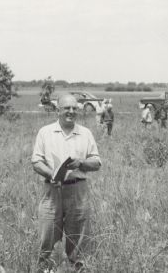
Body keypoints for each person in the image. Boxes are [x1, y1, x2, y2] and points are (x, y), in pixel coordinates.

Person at [31, 94, 102, 272]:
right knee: (48, 237)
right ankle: (47, 269)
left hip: (78, 191)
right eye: (66, 108)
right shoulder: (45, 132)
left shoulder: (85, 133)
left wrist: (81, 163)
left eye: (74, 108)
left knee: (78, 241)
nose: (71, 112)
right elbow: (36, 161)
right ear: (58, 110)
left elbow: (96, 162)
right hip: (52, 190)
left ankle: (76, 269)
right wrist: (52, 174)